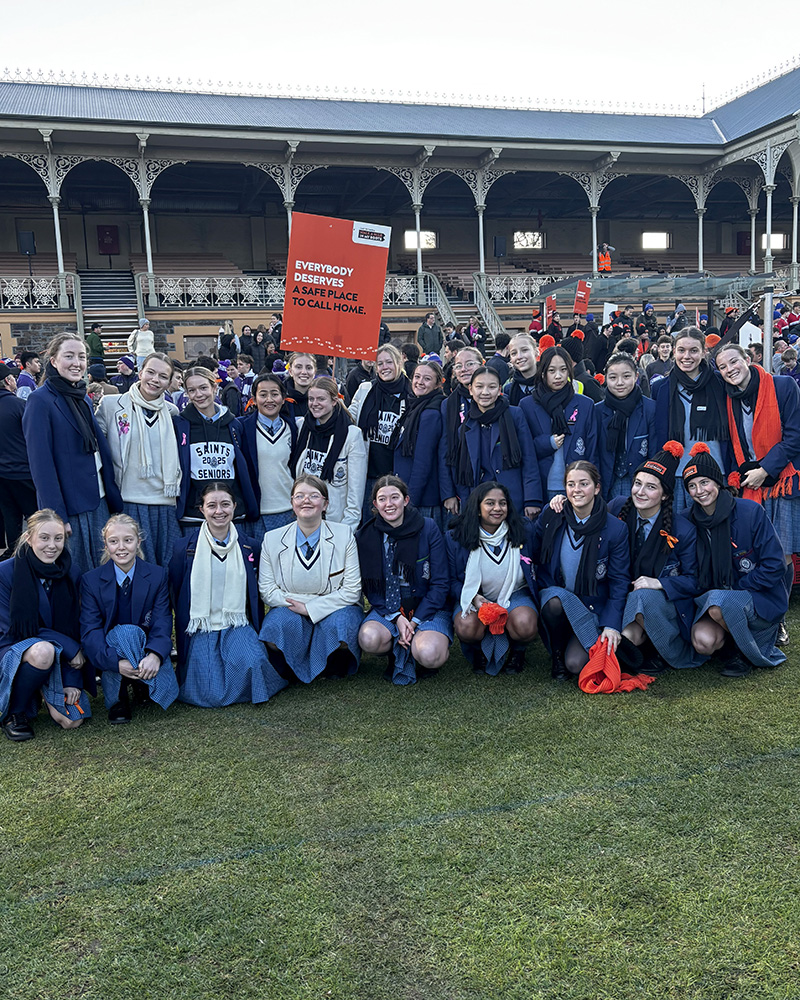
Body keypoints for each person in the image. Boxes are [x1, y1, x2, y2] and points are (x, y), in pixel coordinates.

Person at [169, 482, 287, 706]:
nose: (219, 511)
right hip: (202, 625)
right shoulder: (184, 548)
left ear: (234, 506)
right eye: (211, 505)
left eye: (225, 504)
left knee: (253, 662)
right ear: (201, 509)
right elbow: (176, 590)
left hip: (237, 622)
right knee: (209, 689)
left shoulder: (250, 546)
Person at [715, 341, 800, 644]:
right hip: (749, 483)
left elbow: (795, 435)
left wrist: (766, 469)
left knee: (782, 553)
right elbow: (729, 442)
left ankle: (778, 620)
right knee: (756, 552)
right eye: (723, 367)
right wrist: (736, 475)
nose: (730, 370)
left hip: (782, 479)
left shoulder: (783, 385)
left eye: (733, 362)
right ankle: (759, 613)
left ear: (748, 359)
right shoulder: (727, 397)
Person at [682, 444, 788, 677]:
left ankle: (744, 652)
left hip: (756, 596)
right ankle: (731, 641)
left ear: (717, 482)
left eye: (704, 482)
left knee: (720, 603)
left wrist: (737, 588)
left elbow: (775, 565)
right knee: (702, 641)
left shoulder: (750, 512)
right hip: (713, 600)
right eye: (692, 486)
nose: (699, 491)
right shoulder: (687, 520)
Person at [22, 334, 123, 574]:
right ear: (53, 361)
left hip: (98, 500)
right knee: (76, 575)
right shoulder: (40, 401)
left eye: (81, 357)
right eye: (69, 356)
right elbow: (41, 466)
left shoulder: (82, 397)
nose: (77, 363)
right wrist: (57, 516)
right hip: (70, 507)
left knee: (101, 573)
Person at [258, 475, 362, 683]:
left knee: (342, 625)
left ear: (325, 504)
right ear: (292, 503)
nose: (306, 500)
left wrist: (312, 608)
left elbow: (352, 590)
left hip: (334, 607)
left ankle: (333, 664)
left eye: (314, 495)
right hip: (292, 608)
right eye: (299, 496)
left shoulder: (344, 535)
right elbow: (267, 590)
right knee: (274, 629)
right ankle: (293, 662)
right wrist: (305, 605)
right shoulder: (272, 539)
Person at [608, 442, 701, 672]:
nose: (640, 492)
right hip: (622, 597)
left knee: (644, 598)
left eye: (650, 487)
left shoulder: (683, 530)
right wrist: (561, 503)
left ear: (665, 494)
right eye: (637, 483)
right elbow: (588, 515)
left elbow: (695, 581)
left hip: (665, 605)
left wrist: (659, 583)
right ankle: (635, 652)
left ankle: (660, 650)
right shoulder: (618, 507)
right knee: (627, 634)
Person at [533, 461, 630, 679]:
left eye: (584, 484)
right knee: (555, 601)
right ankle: (556, 653)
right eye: (571, 484)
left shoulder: (615, 529)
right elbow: (534, 548)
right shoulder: (553, 514)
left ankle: (574, 642)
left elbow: (619, 580)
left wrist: (612, 625)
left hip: (590, 607)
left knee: (575, 665)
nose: (576, 490)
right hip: (556, 599)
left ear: (596, 488)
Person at [0, 510, 90, 741]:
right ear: (28, 538)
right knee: (43, 651)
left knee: (72, 720)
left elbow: (77, 626)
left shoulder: (71, 572)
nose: (52, 545)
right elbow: (14, 630)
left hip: (60, 655)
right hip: (12, 648)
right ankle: (14, 713)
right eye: (44, 537)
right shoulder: (5, 572)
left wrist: (71, 680)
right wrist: (68, 647)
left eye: (58, 538)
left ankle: (42, 684)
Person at [80, 514, 178, 723]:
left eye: (128, 540)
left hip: (144, 649)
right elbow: (91, 630)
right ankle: (118, 698)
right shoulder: (91, 581)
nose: (121, 547)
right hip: (109, 654)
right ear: (105, 545)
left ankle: (142, 682)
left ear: (138, 542)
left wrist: (155, 655)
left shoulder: (157, 575)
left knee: (133, 633)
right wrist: (116, 664)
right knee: (125, 632)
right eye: (114, 541)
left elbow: (162, 621)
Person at [357, 476, 451, 684]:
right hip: (388, 605)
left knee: (429, 653)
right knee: (369, 638)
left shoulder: (428, 528)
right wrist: (396, 617)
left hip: (426, 605)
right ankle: (395, 649)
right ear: (375, 504)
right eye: (382, 499)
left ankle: (419, 649)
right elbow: (370, 587)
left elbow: (440, 583)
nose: (389, 504)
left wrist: (415, 620)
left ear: (406, 500)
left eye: (395, 497)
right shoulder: (366, 535)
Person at [96, 352, 182, 566]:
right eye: (151, 372)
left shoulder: (172, 412)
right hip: (128, 501)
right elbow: (95, 449)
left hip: (164, 502)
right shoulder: (111, 405)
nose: (155, 379)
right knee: (131, 567)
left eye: (163, 376)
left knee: (166, 568)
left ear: (169, 382)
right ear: (140, 372)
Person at [445, 482, 538, 675]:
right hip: (476, 596)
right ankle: (478, 650)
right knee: (466, 626)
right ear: (477, 508)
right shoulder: (455, 537)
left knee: (525, 624)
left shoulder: (523, 529)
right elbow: (451, 580)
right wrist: (473, 598)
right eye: (490, 503)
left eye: (502, 503)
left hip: (514, 593)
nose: (497, 508)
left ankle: (518, 650)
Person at [441, 365, 541, 519]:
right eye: (479, 387)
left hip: (513, 498)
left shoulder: (514, 415)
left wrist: (532, 499)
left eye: (492, 387)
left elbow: (529, 459)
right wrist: (467, 504)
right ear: (470, 389)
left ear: (500, 389)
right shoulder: (466, 425)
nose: (485, 392)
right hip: (479, 501)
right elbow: (461, 469)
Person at [652, 327, 730, 512]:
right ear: (674, 352)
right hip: (677, 474)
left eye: (693, 350)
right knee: (679, 527)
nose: (687, 356)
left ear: (704, 352)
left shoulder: (720, 383)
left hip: (715, 472)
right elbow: (657, 433)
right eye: (681, 350)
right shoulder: (661, 388)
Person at [173, 365, 257, 526]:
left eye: (203, 388)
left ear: (214, 387)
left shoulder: (234, 425)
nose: (198, 394)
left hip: (231, 514)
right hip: (194, 516)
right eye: (192, 390)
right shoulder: (180, 425)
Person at [521, 346, 597, 501]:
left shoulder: (585, 404)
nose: (558, 376)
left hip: (577, 487)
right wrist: (548, 443)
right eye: (552, 371)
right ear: (543, 373)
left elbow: (593, 449)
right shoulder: (527, 405)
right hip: (543, 485)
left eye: (563, 370)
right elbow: (524, 449)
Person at [290, 376, 366, 527]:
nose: (315, 404)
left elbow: (355, 492)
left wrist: (347, 529)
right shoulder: (302, 427)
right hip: (304, 517)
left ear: (334, 401)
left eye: (321, 399)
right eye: (311, 399)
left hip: (335, 520)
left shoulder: (351, 435)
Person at [349, 344, 410, 518]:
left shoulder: (411, 392)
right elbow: (350, 419)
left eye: (389, 362)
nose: (384, 367)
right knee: (370, 522)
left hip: (397, 474)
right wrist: (335, 403)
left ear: (399, 362)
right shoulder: (366, 389)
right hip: (369, 472)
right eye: (380, 363)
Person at [239, 373, 300, 547]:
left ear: (283, 398)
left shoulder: (292, 428)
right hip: (257, 511)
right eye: (263, 394)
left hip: (288, 509)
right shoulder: (243, 427)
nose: (269, 400)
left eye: (274, 394)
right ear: (254, 399)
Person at [595, 352, 658, 500]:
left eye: (626, 376)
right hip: (607, 479)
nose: (620, 383)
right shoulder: (597, 411)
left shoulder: (649, 409)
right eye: (613, 377)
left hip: (641, 480)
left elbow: (654, 451)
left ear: (636, 377)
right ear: (605, 379)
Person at [393, 360, 445, 523]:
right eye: (417, 377)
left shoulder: (430, 413)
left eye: (427, 379)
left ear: (437, 384)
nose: (420, 382)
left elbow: (423, 462)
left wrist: (411, 502)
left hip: (422, 499)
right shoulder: (416, 406)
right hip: (408, 493)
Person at [438, 346, 484, 520]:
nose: (463, 369)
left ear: (481, 365)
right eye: (458, 366)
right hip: (462, 483)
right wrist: (448, 493)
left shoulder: (496, 398)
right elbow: (444, 449)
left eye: (469, 364)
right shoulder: (448, 404)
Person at [0, 363, 37, 556]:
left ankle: (15, 555)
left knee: (10, 517)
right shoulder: (20, 405)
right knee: (35, 518)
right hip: (24, 472)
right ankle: (35, 554)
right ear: (8, 381)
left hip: (2, 476)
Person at [504, 334, 538, 406]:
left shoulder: (549, 383)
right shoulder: (508, 389)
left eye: (524, 350)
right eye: (514, 353)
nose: (519, 356)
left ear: (536, 351)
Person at [282, 352, 317, 419]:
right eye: (298, 367)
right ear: (290, 371)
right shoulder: (280, 397)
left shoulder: (323, 399)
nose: (304, 372)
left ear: (314, 372)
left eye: (309, 368)